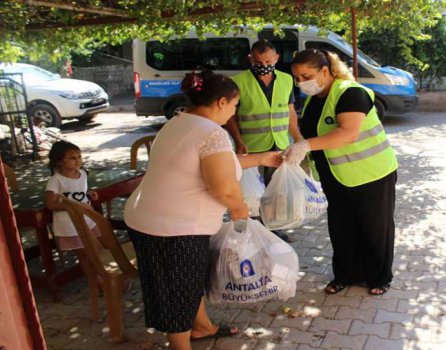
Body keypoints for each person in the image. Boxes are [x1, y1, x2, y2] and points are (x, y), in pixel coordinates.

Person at [124, 70, 282, 350]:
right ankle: (181, 345)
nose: (234, 112)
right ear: (221, 102)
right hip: (173, 227)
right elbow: (222, 187)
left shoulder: (180, 121)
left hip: (148, 217)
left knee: (187, 279)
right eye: (234, 105)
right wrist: (240, 208)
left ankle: (202, 327)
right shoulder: (212, 133)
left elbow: (218, 162)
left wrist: (262, 158)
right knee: (178, 291)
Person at [284, 49, 398, 296]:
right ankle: (346, 274)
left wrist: (305, 146)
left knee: (374, 226)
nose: (301, 83)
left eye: (307, 76)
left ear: (325, 71)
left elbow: (348, 133)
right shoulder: (316, 98)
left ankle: (379, 277)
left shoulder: (351, 93)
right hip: (335, 175)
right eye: (297, 78)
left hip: (371, 173)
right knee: (341, 227)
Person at [226, 39, 302, 242]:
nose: (264, 65)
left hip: (279, 145)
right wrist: (238, 139)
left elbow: (290, 112)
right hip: (251, 148)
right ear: (251, 59)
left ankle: (273, 230)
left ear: (276, 58)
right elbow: (231, 115)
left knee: (276, 191)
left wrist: (298, 140)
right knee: (251, 193)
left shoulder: (286, 80)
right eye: (258, 61)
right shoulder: (238, 82)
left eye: (268, 60)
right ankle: (252, 231)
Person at [45, 140, 100, 274]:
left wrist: (88, 194)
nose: (78, 161)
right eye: (72, 158)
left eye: (79, 157)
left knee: (96, 250)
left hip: (87, 219)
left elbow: (77, 193)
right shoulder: (55, 180)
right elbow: (51, 204)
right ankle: (98, 282)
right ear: (59, 161)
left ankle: (104, 277)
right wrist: (71, 206)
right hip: (70, 225)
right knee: (84, 255)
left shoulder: (83, 174)